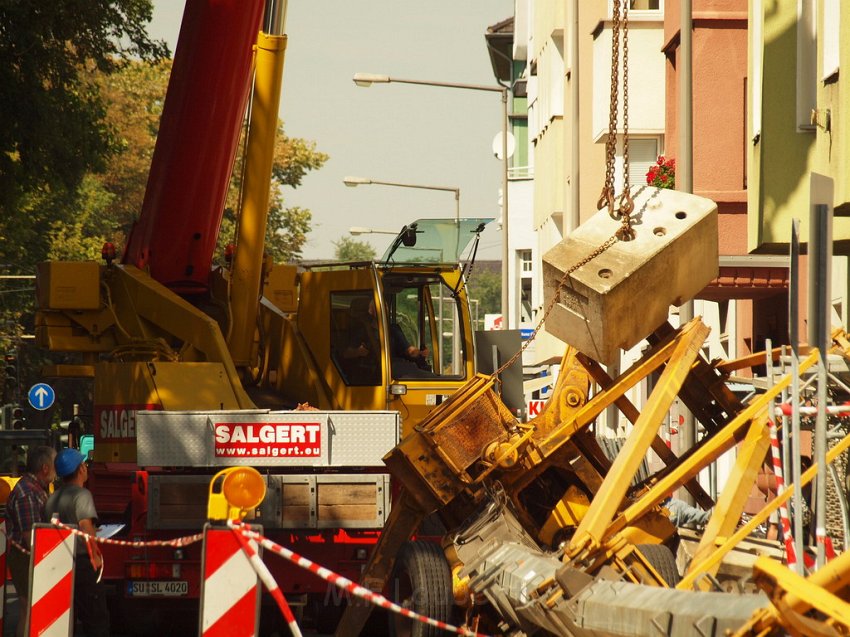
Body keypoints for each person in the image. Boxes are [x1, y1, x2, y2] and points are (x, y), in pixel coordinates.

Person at [45, 448, 110, 637]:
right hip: (82, 564)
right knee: (96, 618)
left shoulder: (52, 498)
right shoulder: (82, 495)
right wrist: (95, 556)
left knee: (66, 618)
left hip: (60, 563)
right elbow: (85, 526)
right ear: (81, 469)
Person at [6, 446, 56, 637]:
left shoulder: (34, 488)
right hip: (26, 556)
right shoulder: (27, 492)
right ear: (44, 468)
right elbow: (31, 536)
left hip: (28, 556)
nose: (56, 469)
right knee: (28, 608)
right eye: (54, 464)